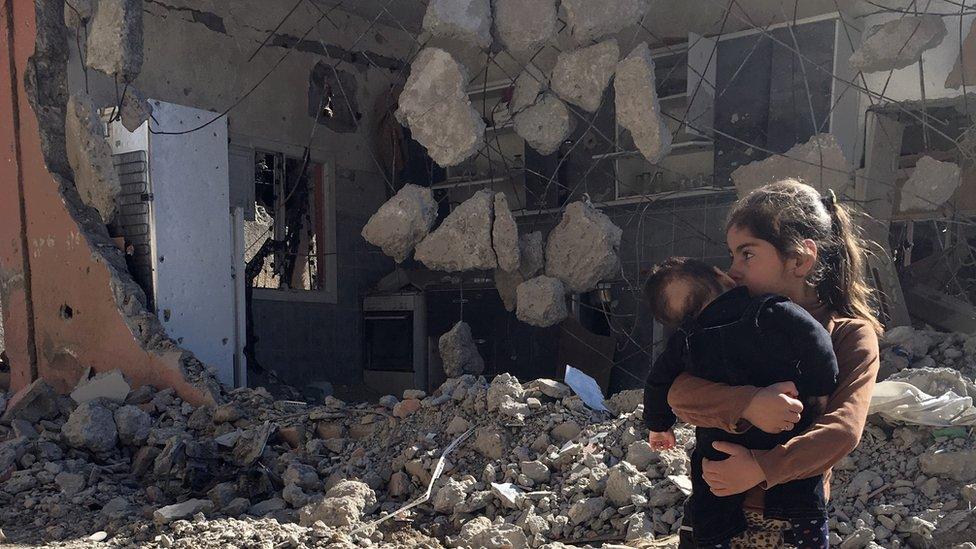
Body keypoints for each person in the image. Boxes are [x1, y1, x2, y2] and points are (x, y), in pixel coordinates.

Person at [667, 180, 882, 548]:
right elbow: (679, 392)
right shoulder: (726, 324)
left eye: (747, 254)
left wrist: (760, 467)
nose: (732, 270)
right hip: (713, 515)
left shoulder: (848, 335)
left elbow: (842, 430)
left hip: (789, 524)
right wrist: (748, 402)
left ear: (799, 259)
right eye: (732, 254)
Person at [641, 257, 838, 548]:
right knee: (802, 497)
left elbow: (658, 383)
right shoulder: (771, 310)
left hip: (722, 447)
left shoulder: (686, 340)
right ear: (722, 276)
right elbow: (817, 341)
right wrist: (817, 386)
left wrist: (659, 426)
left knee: (710, 491)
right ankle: (808, 533)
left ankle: (712, 539)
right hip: (785, 431)